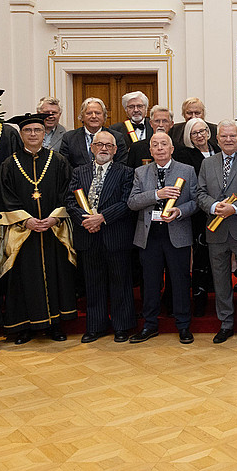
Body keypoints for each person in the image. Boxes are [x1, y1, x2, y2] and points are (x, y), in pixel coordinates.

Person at [0, 113, 77, 344]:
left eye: (38, 131)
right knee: (24, 278)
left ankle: (55, 325)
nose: (33, 134)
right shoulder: (9, 164)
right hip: (23, 232)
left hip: (54, 230)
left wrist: (54, 218)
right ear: (21, 134)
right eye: (28, 131)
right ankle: (24, 327)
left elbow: (67, 192)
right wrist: (26, 220)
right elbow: (5, 197)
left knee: (56, 275)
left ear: (45, 134)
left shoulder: (59, 161)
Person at [65, 128, 137, 343]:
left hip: (115, 235)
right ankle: (95, 327)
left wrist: (102, 218)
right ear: (92, 147)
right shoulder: (79, 172)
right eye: (99, 145)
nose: (104, 148)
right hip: (88, 235)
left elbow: (127, 203)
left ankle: (122, 326)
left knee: (120, 282)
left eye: (109, 145)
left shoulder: (125, 172)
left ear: (115, 150)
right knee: (93, 283)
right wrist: (86, 220)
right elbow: (69, 201)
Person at [127, 132, 198, 344]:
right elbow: (132, 202)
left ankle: (184, 325)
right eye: (155, 145)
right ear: (150, 150)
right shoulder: (140, 172)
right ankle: (150, 324)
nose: (159, 148)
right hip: (150, 236)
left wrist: (180, 211)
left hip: (177, 232)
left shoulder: (187, 170)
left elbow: (196, 201)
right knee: (150, 282)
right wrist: (157, 194)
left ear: (171, 148)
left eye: (164, 144)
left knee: (180, 281)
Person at [196, 120, 237, 346]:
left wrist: (233, 208)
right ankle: (225, 323)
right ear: (217, 138)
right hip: (216, 230)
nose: (228, 139)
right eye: (223, 136)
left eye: (232, 136)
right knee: (220, 280)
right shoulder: (208, 163)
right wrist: (215, 208)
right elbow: (200, 192)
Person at [178, 116, 219, 315]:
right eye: (195, 133)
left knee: (220, 255)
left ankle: (218, 295)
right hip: (199, 212)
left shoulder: (218, 150)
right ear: (189, 136)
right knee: (201, 257)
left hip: (222, 211)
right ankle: (200, 299)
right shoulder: (184, 155)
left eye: (202, 131)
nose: (200, 135)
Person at [59, 97, 128, 168]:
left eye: (98, 113)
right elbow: (65, 167)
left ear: (104, 117)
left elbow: (121, 165)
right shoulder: (69, 138)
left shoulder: (117, 137)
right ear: (82, 117)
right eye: (89, 113)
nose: (94, 116)